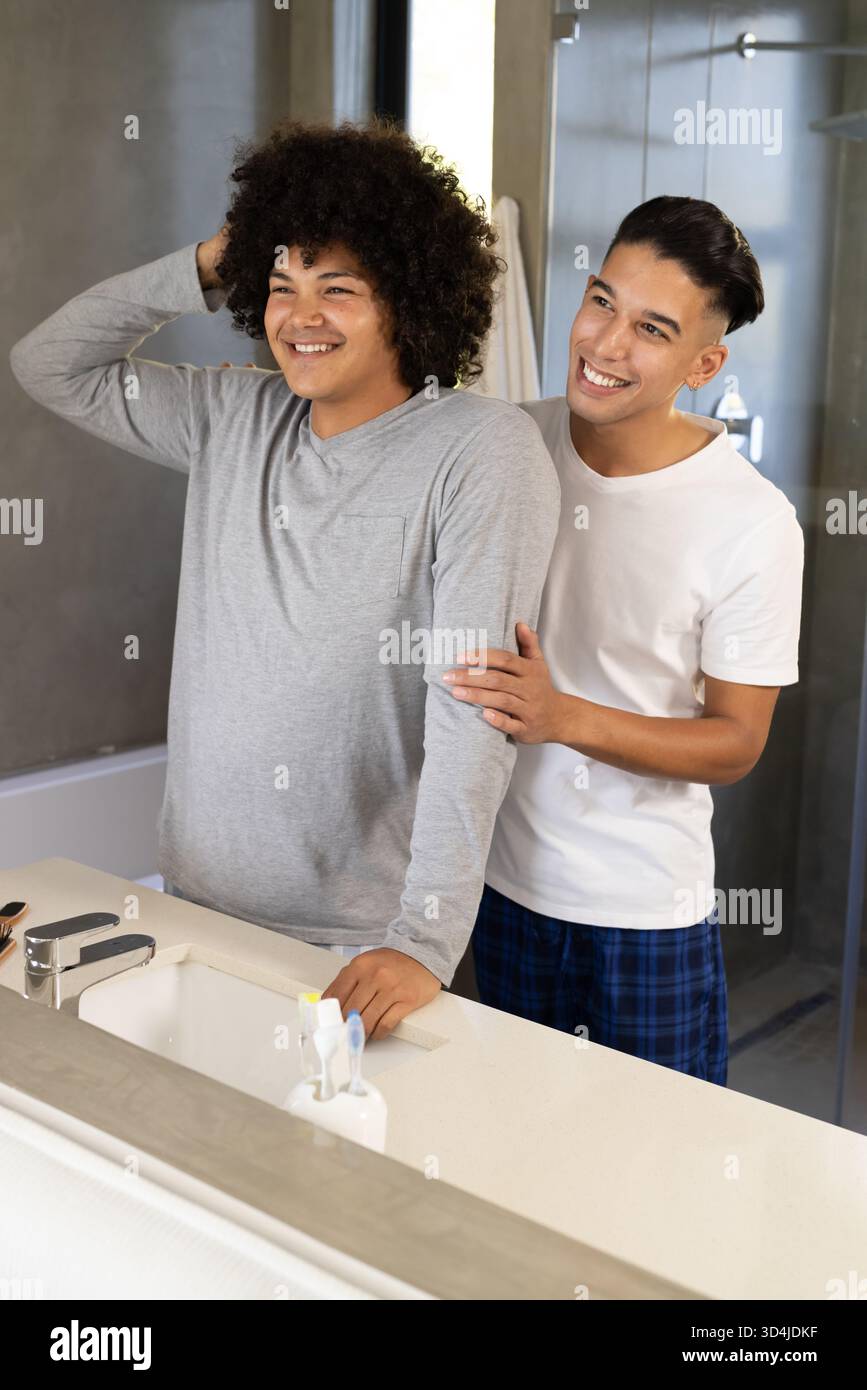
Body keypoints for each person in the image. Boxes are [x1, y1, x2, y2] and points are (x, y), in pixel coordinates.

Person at [10, 118, 560, 1040]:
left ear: (408, 297)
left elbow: (474, 708)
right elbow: (49, 364)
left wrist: (422, 940)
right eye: (279, 285)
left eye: (336, 288)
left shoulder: (480, 450)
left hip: (355, 942)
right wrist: (203, 263)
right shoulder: (233, 414)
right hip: (187, 902)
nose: (299, 317)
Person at [444, 196, 804, 1085]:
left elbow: (734, 742)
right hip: (499, 893)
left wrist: (561, 715)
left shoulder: (752, 523)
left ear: (702, 362)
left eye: (650, 328)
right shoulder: (507, 442)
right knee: (510, 1163)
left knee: (658, 1189)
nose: (605, 344)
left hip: (644, 914)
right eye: (600, 300)